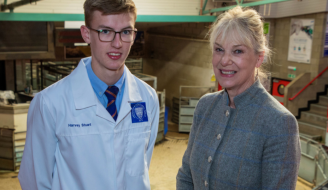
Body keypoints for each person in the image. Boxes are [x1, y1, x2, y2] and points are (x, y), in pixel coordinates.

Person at [18, 0, 159, 189]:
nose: (117, 44)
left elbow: (142, 166)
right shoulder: (49, 104)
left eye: (125, 32)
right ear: (86, 34)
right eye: (105, 32)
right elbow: (35, 182)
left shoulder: (147, 98)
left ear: (134, 34)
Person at [176, 6, 301, 190]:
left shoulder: (279, 123)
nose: (224, 60)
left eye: (237, 51)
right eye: (219, 49)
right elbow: (186, 175)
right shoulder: (205, 106)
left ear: (259, 58)